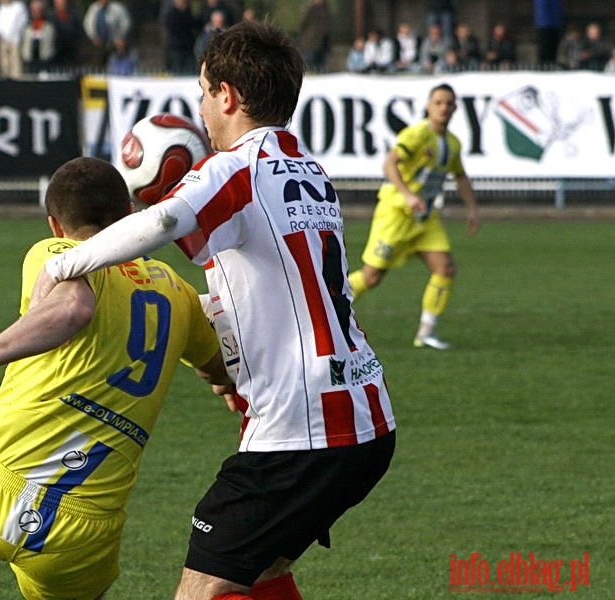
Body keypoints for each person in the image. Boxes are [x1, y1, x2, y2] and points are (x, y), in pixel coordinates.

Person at [32, 20, 396, 599]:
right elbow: (262, 286)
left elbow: (163, 221)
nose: (201, 107)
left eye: (203, 91)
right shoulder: (309, 171)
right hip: (365, 417)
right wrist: (232, 362)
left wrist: (65, 264)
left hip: (300, 429)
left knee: (201, 588)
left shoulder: (236, 168)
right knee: (265, 570)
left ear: (227, 94)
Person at [0, 156, 228, 600]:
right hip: (82, 535)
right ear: (132, 218)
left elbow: (74, 307)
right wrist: (227, 383)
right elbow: (221, 366)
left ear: (55, 225)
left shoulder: (54, 253)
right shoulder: (177, 292)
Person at [348, 83, 480, 350]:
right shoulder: (417, 134)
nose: (444, 108)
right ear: (429, 107)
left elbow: (461, 175)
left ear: (455, 108)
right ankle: (321, 309)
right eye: (438, 103)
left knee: (445, 268)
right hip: (396, 214)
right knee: (371, 277)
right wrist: (407, 194)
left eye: (449, 103)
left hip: (424, 218)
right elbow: (389, 162)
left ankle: (426, 333)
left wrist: (472, 209)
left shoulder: (452, 143)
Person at [83, 0, 132, 70]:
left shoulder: (117, 8)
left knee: (117, 60)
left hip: (115, 41)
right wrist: (93, 37)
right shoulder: (93, 8)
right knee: (98, 63)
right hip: (98, 42)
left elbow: (126, 23)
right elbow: (87, 24)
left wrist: (119, 37)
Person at [0, 0, 30, 79]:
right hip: (3, 39)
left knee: (15, 61)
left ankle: (16, 79)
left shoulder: (19, 7)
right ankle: (5, 77)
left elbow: (23, 22)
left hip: (15, 39)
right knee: (4, 61)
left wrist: (18, 34)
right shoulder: (1, 8)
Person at [163, 0, 200, 75]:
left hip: (188, 45)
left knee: (190, 69)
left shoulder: (188, 13)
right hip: (176, 47)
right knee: (178, 69)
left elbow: (195, 24)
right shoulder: (171, 14)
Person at [21, 0, 57, 74]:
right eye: (34, 10)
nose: (36, 12)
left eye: (38, 10)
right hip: (30, 63)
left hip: (45, 62)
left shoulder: (49, 26)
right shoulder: (27, 27)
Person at [49, 0, 84, 72]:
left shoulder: (74, 16)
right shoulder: (50, 17)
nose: (61, 4)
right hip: (55, 55)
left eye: (63, 2)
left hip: (71, 54)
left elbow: (79, 33)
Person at [298, 0, 331, 71]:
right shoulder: (310, 7)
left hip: (323, 41)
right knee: (310, 65)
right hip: (311, 42)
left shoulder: (325, 7)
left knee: (321, 66)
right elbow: (303, 22)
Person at [533, 0, 564, 67]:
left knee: (552, 49)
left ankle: (550, 64)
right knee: (545, 50)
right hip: (545, 25)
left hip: (554, 24)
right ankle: (545, 66)